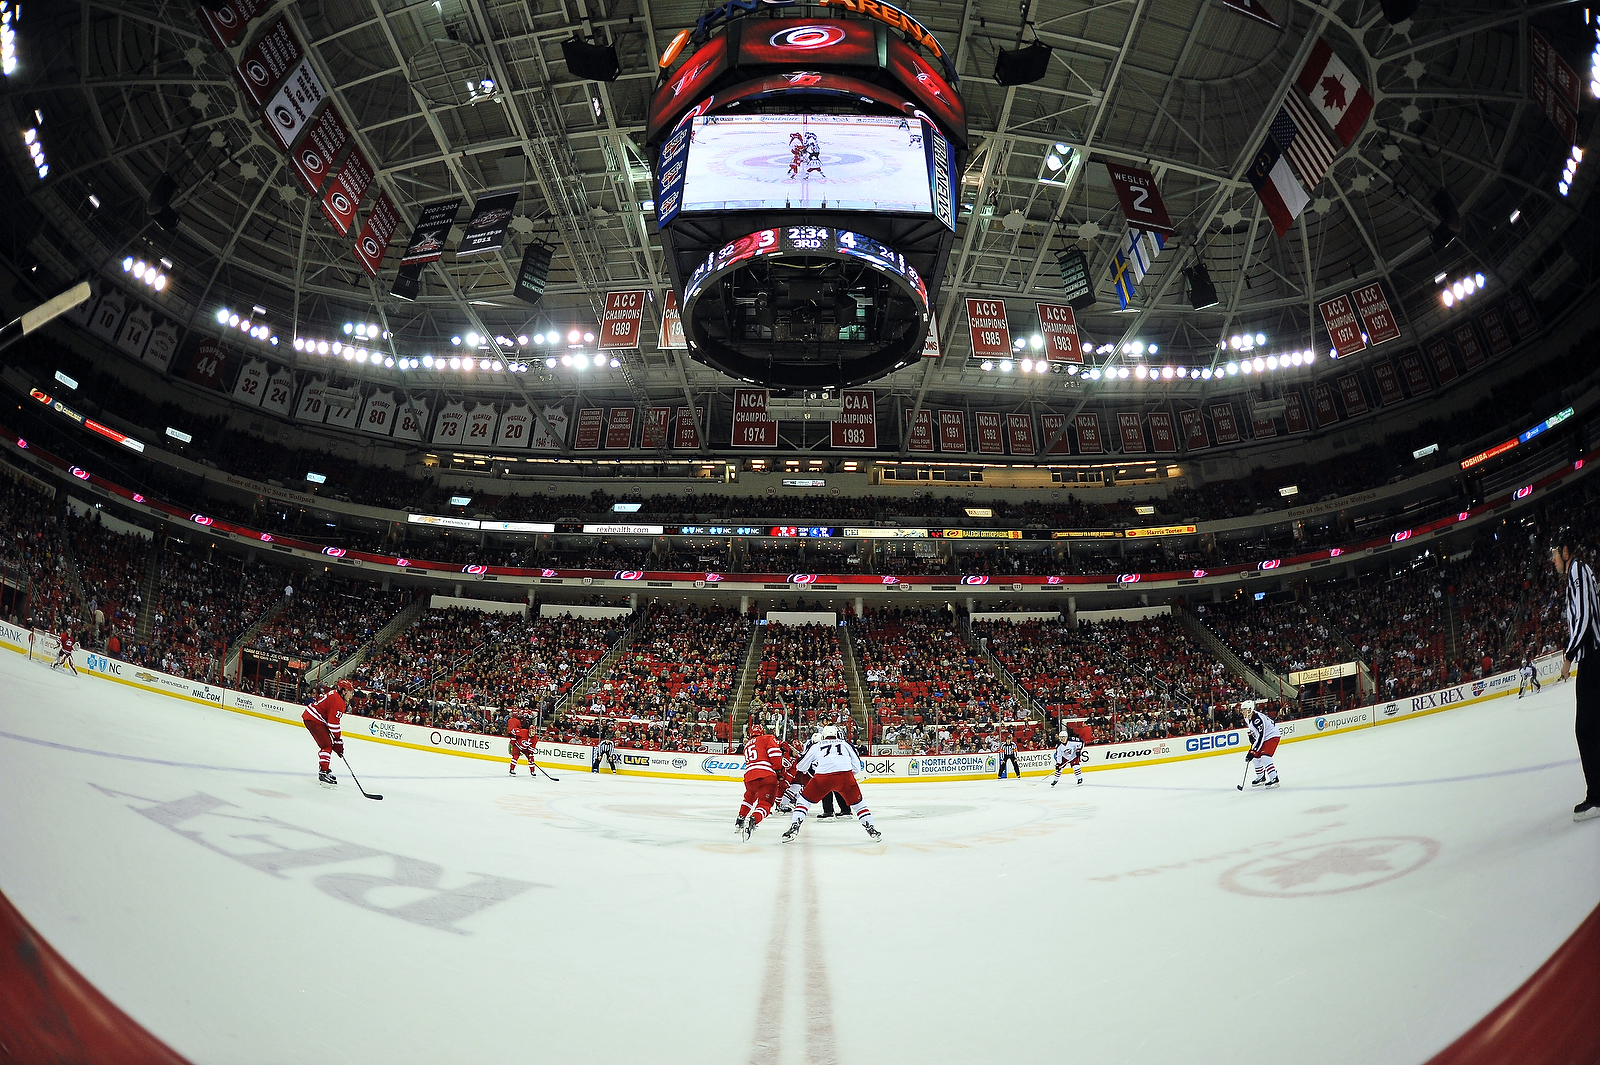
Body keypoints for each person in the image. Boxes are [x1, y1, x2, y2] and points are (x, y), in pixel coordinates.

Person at [1552, 529, 1600, 821]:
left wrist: (1568, 656)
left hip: (1592, 658)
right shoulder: (1578, 574)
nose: (1554, 561)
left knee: (1586, 729)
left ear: (1566, 551)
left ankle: (1596, 796)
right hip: (1593, 658)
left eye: (1555, 555)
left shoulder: (1577, 571)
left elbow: (1583, 616)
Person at [782, 726, 880, 843]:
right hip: (845, 776)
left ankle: (794, 827)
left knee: (803, 802)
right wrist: (847, 774)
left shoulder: (817, 746)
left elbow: (801, 766)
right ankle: (871, 828)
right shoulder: (845, 744)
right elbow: (857, 766)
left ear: (823, 736)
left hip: (823, 777)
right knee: (859, 805)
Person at [736, 720, 786, 840]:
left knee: (749, 797)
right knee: (765, 804)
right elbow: (774, 755)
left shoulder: (747, 745)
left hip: (749, 777)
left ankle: (740, 819)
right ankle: (754, 819)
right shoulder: (767, 738)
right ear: (762, 732)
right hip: (766, 776)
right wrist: (779, 771)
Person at [303, 680, 352, 785]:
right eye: (349, 691)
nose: (351, 695)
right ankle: (323, 772)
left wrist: (337, 740)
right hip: (314, 720)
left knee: (328, 744)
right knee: (327, 746)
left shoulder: (335, 694)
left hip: (314, 718)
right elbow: (333, 724)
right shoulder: (338, 701)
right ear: (343, 691)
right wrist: (338, 740)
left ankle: (324, 769)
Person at [1242, 701, 1280, 788]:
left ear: (1250, 710)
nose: (1242, 712)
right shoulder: (1247, 717)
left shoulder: (1257, 719)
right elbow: (1253, 729)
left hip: (1272, 735)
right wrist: (1251, 735)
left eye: (1244, 709)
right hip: (1264, 736)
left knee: (1265, 757)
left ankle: (1274, 778)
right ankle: (1261, 777)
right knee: (1255, 758)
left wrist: (1252, 751)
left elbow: (1261, 737)